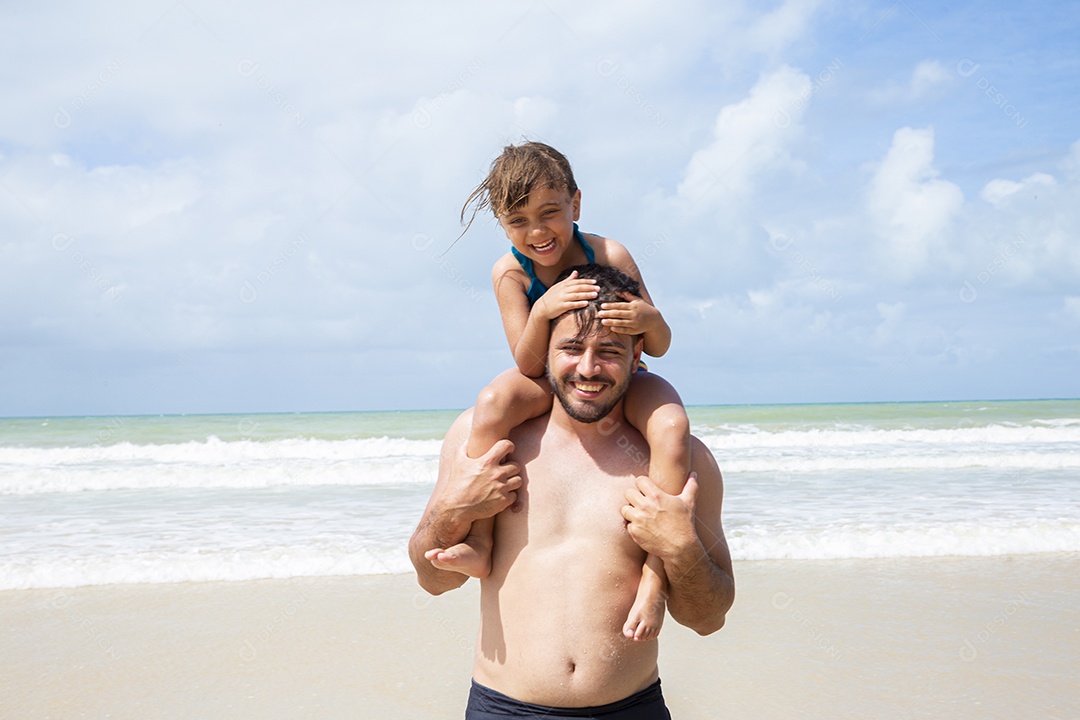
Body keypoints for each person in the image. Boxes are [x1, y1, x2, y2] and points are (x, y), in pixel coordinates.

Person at [409, 264, 735, 719]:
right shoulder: (482, 438)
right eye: (570, 348)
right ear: (543, 350)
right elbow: (433, 579)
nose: (587, 368)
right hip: (504, 710)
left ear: (637, 351)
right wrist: (453, 509)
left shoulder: (683, 460)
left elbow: (709, 618)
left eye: (608, 351)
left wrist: (680, 548)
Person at [432, 141, 691, 641]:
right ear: (503, 226)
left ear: (575, 203)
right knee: (491, 404)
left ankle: (655, 578)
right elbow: (527, 363)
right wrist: (546, 308)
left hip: (619, 377)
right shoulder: (509, 272)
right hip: (544, 376)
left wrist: (649, 318)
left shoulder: (609, 254)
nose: (537, 232)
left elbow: (656, 348)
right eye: (517, 222)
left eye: (549, 213)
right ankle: (481, 541)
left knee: (674, 426)